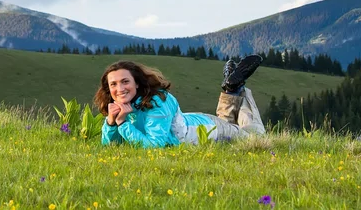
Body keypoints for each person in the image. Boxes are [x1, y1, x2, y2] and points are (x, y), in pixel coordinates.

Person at [93, 55, 266, 148]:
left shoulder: (157, 100)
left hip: (205, 130)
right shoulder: (120, 105)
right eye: (113, 84)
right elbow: (111, 147)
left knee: (254, 137)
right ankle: (231, 89)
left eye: (125, 82)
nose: (120, 89)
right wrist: (111, 123)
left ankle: (236, 89)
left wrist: (122, 124)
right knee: (228, 122)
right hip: (191, 121)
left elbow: (154, 146)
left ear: (136, 83)